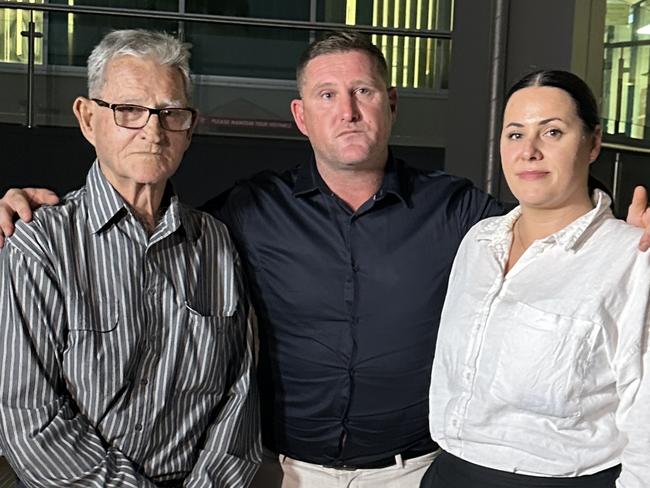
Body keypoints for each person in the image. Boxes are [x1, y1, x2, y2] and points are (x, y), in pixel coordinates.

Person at [1, 33, 649, 488]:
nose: (346, 110)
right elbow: (144, 211)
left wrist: (623, 227)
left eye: (364, 91)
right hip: (282, 474)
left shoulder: (459, 215)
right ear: (300, 115)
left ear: (391, 104)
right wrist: (24, 206)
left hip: (412, 473)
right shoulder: (245, 214)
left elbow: (548, 218)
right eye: (327, 94)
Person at [0, 29, 260, 487]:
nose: (153, 130)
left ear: (189, 127)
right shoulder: (40, 245)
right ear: (87, 119)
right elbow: (29, 419)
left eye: (170, 113)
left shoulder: (217, 245)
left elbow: (238, 401)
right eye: (129, 110)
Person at [424, 70, 650, 488]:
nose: (529, 151)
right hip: (449, 472)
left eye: (552, 132)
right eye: (515, 134)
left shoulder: (631, 258)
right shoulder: (480, 241)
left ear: (593, 143)